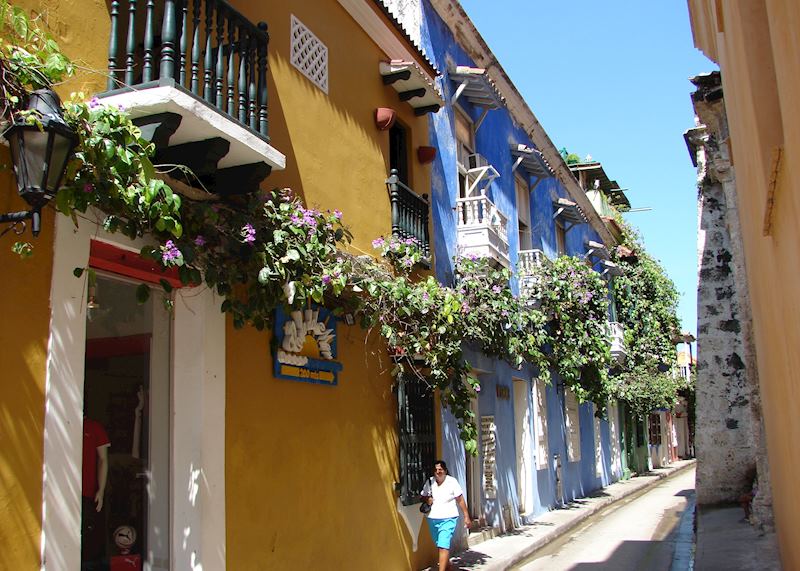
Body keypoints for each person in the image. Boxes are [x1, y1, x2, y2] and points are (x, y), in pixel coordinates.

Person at [421, 460, 471, 570]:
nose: (438, 472)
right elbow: (422, 496)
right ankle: (447, 565)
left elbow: (460, 499)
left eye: (440, 470)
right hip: (433, 518)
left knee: (443, 545)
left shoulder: (452, 482)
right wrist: (427, 499)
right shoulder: (430, 482)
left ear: (445, 471)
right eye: (436, 470)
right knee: (440, 544)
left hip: (449, 517)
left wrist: (466, 516)